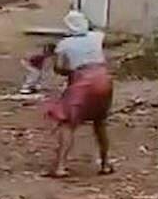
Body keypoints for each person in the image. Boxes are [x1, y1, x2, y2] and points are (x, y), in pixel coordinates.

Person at [46, 10, 113, 178]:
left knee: (67, 123)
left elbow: (60, 68)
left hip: (83, 81)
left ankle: (60, 166)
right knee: (100, 122)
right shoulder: (97, 37)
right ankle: (105, 163)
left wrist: (70, 67)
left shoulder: (64, 44)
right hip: (104, 79)